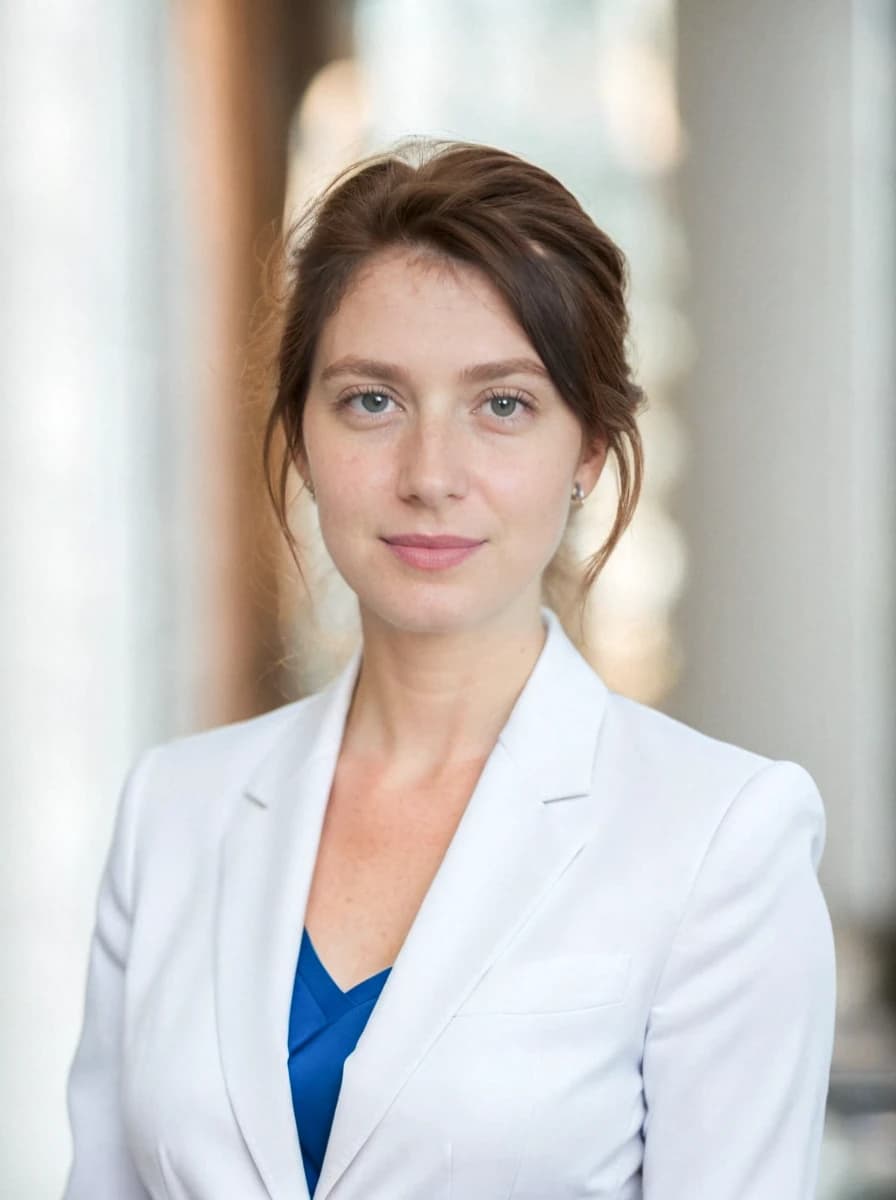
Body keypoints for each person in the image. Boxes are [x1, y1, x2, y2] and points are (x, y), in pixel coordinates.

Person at [63, 137, 836, 1200]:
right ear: (299, 433)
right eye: (370, 401)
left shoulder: (721, 838)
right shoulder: (173, 811)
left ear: (588, 451)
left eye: (502, 404)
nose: (429, 476)